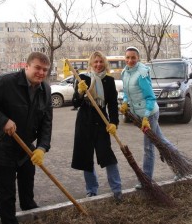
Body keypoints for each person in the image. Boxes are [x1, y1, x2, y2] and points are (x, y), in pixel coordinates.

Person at [0, 52, 53, 224]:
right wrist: (2, 121)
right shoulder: (6, 82)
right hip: (2, 147)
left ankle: (29, 213)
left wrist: (42, 147)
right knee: (6, 194)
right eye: (37, 68)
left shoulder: (45, 89)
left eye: (45, 70)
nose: (41, 73)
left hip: (26, 148)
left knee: (27, 187)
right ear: (27, 66)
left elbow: (47, 121)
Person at [119, 46, 182, 189]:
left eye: (133, 57)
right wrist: (124, 102)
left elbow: (150, 97)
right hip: (139, 114)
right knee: (162, 141)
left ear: (138, 58)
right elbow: (127, 92)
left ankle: (146, 180)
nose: (130, 60)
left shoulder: (141, 74)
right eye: (127, 57)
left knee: (149, 148)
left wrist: (146, 117)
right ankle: (181, 167)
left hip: (150, 114)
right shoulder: (125, 73)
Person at [71, 51, 122, 202]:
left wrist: (114, 122)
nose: (98, 64)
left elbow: (112, 105)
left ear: (104, 63)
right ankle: (91, 190)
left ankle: (117, 188)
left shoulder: (109, 81)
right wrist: (80, 92)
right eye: (95, 62)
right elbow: (75, 103)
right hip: (84, 122)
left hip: (102, 123)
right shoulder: (83, 78)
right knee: (86, 157)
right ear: (91, 64)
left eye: (101, 61)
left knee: (108, 156)